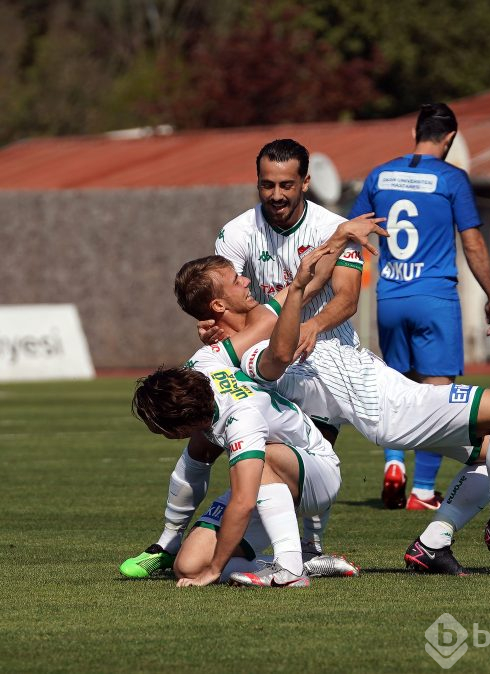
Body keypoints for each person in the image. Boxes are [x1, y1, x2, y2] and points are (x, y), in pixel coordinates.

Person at [165, 253, 490, 574]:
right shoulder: (245, 352)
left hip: (369, 402)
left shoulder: (239, 336)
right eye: (237, 279)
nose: (247, 281)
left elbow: (298, 295)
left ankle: (433, 543)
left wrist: (338, 241)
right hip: (388, 405)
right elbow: (278, 354)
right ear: (219, 304)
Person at [120, 138, 384, 579]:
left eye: (286, 184)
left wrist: (335, 241)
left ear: (303, 182)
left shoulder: (246, 360)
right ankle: (169, 544)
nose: (248, 280)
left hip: (306, 364)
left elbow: (300, 303)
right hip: (255, 363)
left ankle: (297, 558)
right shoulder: (216, 350)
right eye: (267, 184)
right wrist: (213, 324)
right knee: (202, 456)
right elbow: (220, 292)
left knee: (265, 456)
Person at [133, 246, 355, 588]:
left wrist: (214, 571)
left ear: (183, 426)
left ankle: (291, 570)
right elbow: (262, 324)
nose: (245, 281)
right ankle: (303, 562)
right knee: (187, 566)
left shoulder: (241, 420)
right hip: (273, 480)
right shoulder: (204, 362)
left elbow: (242, 500)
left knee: (257, 469)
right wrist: (203, 568)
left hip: (315, 472)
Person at [348, 103, 490, 511]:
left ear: (415, 133)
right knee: (439, 397)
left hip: (390, 297)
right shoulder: (451, 177)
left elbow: (352, 230)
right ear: (449, 138)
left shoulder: (380, 174)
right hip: (434, 298)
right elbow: (471, 242)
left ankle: (394, 463)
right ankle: (421, 490)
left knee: (396, 389)